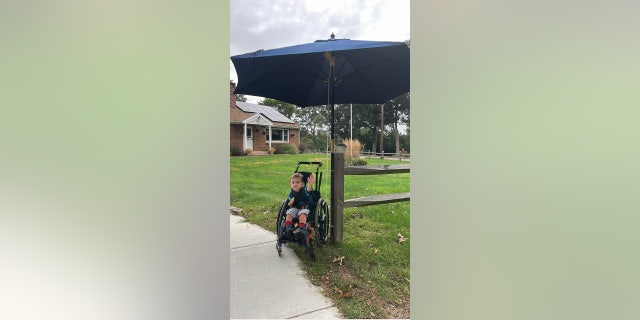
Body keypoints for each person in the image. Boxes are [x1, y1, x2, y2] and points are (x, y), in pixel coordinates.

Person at [284, 172, 315, 242]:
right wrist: (290, 203)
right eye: (293, 182)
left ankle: (302, 230)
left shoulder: (304, 190)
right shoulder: (291, 193)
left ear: (302, 184)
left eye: (298, 182)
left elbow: (309, 189)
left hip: (304, 208)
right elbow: (288, 204)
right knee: (288, 214)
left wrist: (310, 184)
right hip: (295, 208)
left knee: (302, 215)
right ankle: (289, 230)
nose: (295, 184)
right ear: (290, 184)